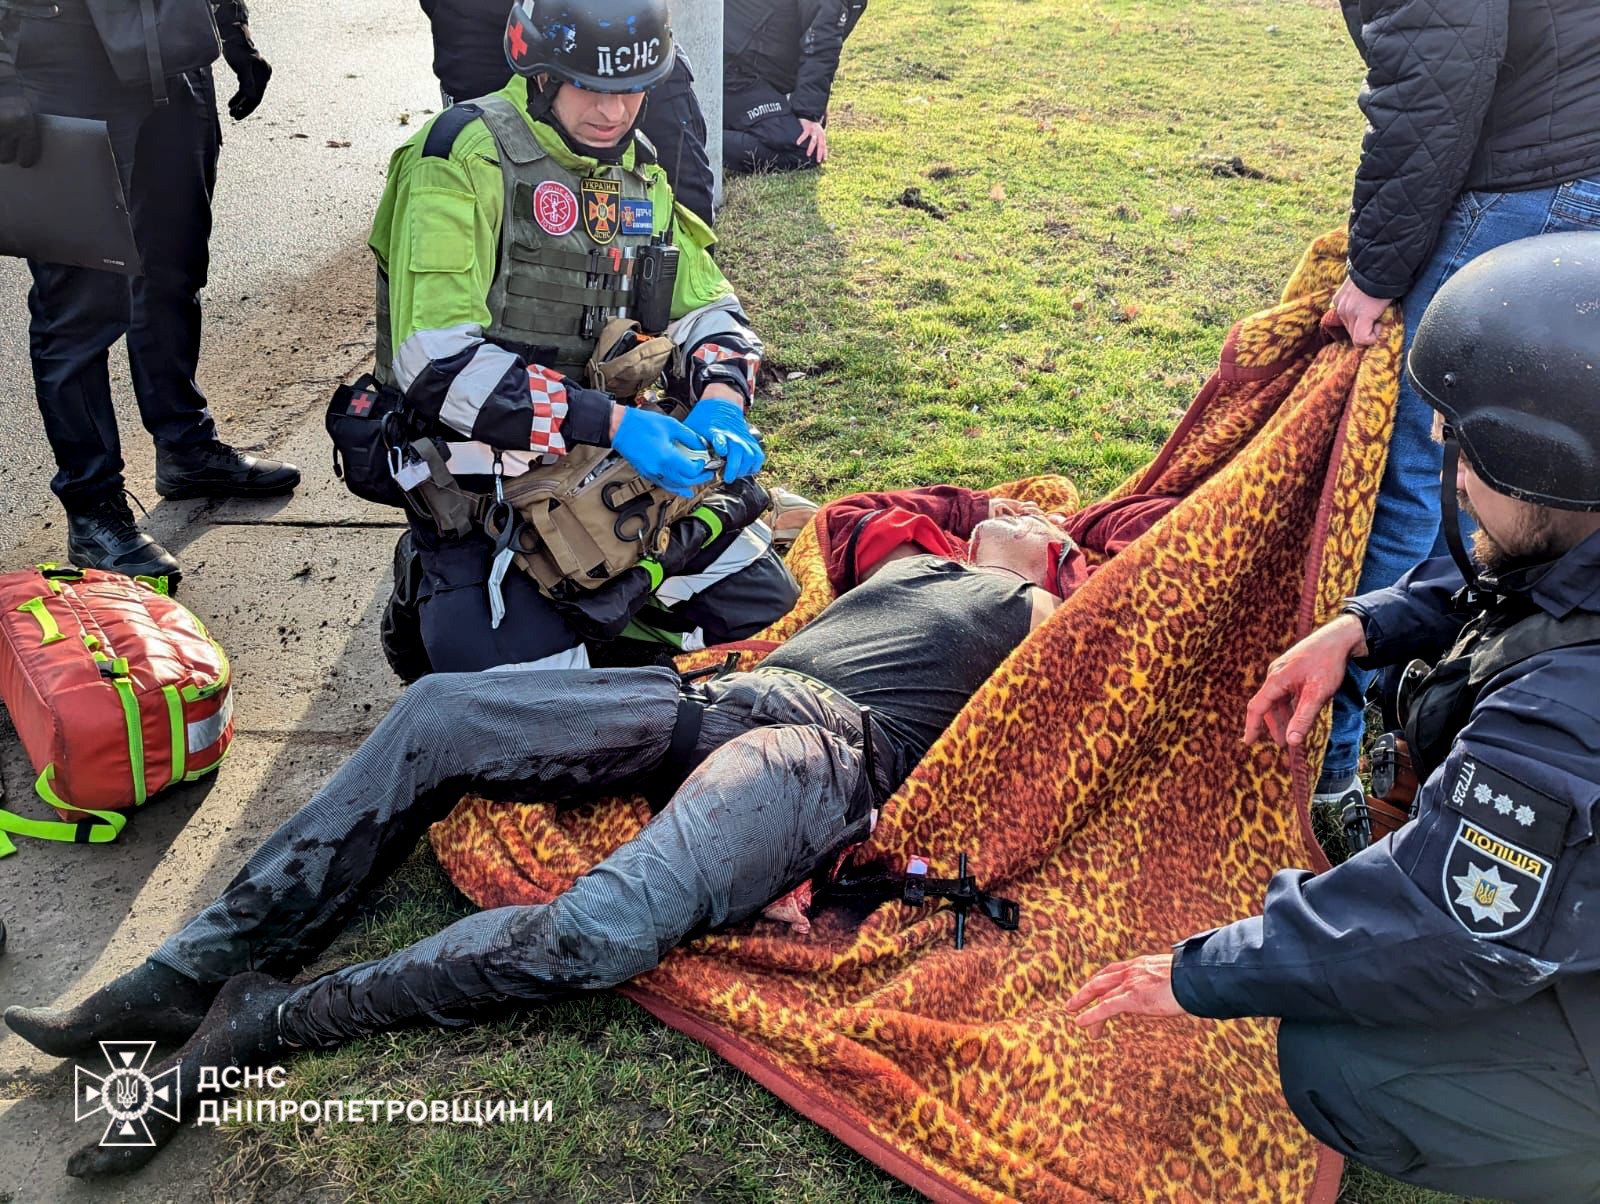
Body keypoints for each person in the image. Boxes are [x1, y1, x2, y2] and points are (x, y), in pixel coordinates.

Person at [6, 506, 1077, 1179]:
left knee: (605, 927)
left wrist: (1048, 566)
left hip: (819, 755)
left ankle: (264, 1018)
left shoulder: (1050, 609)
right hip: (718, 695)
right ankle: (185, 970)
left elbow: (1166, 602)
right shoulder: (908, 551)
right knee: (439, 712)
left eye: (1052, 523)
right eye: (1023, 506)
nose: (1038, 511)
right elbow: (827, 512)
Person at [1067, 234, 1600, 1198]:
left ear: (1544, 466)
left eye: (1467, 446)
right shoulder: (1576, 528)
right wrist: (1361, 627)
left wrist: (1197, 975)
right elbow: (1530, 568)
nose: (1446, 454)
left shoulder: (1563, 720)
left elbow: (1442, 929)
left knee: (1336, 1063)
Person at [369, 0, 798, 676]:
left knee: (762, 608)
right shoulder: (456, 160)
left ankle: (606, 627)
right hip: (485, 490)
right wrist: (616, 422)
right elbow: (435, 364)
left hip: (602, 476)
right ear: (540, 76)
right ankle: (428, 586)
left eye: (631, 89)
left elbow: (712, 309)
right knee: (529, 713)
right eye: (590, 87)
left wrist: (721, 398)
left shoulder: (638, 172)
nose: (613, 111)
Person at [1318, 0, 1600, 825]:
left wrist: (1376, 269)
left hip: (1534, 180)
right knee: (1563, 481)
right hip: (1575, 146)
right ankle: (1470, 724)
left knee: (1435, 478)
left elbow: (1437, 72)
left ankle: (1343, 768)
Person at [0, 0, 300, 583]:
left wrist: (232, 25)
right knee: (80, 303)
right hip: (62, 61)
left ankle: (186, 448)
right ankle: (93, 510)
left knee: (173, 270)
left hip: (174, 54)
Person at [416, 0, 715, 226]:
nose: (611, 111)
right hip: (483, 15)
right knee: (475, 169)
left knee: (683, 187)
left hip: (618, 15)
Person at [722, 0, 867, 176]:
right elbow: (821, 42)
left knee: (811, 127)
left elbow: (819, 34)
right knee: (804, 149)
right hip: (732, 75)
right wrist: (808, 112)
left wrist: (809, 105)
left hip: (750, 72)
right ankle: (689, 142)